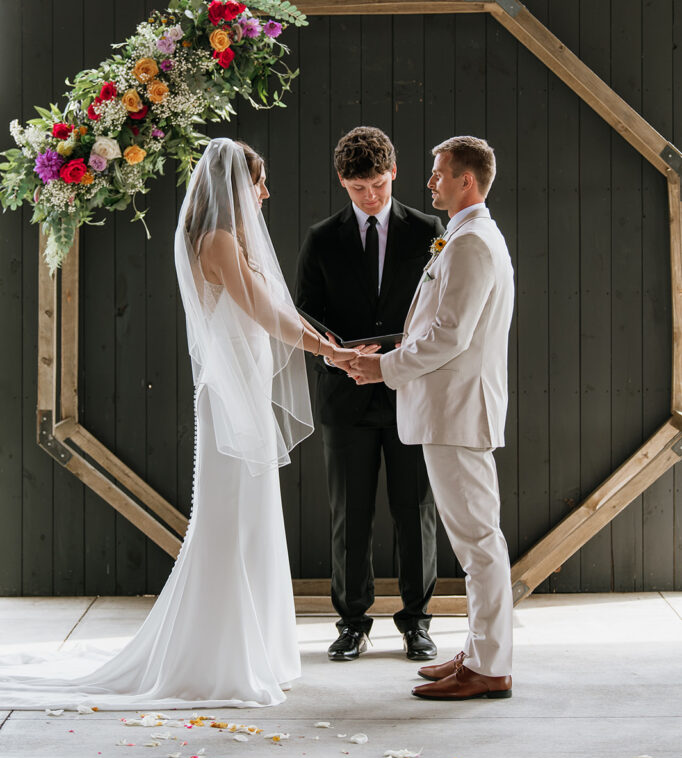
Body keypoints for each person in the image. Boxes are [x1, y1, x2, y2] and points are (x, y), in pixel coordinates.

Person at [0, 137, 359, 709]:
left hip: (242, 397)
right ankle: (217, 656)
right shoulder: (217, 241)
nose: (264, 193)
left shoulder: (222, 238)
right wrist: (331, 351)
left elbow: (272, 315)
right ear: (236, 186)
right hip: (232, 401)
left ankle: (255, 647)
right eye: (258, 183)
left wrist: (321, 343)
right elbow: (268, 315)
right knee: (228, 520)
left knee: (248, 518)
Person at [349, 136, 515, 700]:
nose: (431, 182)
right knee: (472, 540)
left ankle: (490, 666)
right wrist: (389, 348)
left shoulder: (471, 244)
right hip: (450, 409)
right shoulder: (465, 237)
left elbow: (451, 335)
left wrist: (385, 370)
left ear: (467, 180)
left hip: (458, 412)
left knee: (477, 541)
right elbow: (437, 326)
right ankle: (476, 650)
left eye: (439, 172)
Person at [295, 126, 443, 663]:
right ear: (342, 182)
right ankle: (352, 622)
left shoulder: (431, 230)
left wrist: (405, 351)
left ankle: (417, 622)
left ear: (394, 172)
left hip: (409, 391)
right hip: (345, 393)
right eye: (359, 189)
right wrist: (336, 351)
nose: (371, 197)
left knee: (415, 510)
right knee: (349, 514)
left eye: (378, 185)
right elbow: (304, 311)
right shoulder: (321, 238)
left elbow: (440, 308)